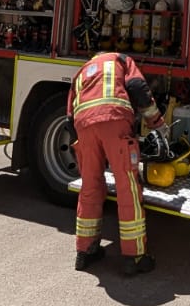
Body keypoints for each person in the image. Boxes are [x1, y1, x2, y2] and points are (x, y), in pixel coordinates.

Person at [68, 50, 165, 276]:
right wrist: (157, 123)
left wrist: (82, 142)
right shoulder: (121, 60)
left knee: (90, 186)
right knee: (127, 185)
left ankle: (85, 251)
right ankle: (135, 256)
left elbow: (69, 117)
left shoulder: (81, 72)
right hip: (114, 120)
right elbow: (138, 89)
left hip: (84, 126)